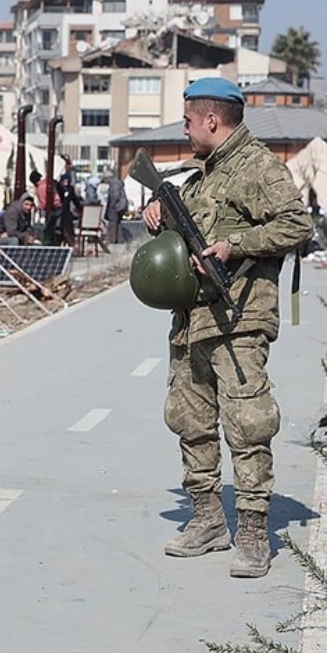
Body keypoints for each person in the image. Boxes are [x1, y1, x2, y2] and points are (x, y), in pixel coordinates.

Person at [141, 77, 312, 578]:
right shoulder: (205, 175)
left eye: (190, 121)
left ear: (212, 120)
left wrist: (234, 246)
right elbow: (191, 231)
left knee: (248, 425)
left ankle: (254, 532)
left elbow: (298, 225)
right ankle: (208, 520)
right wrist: (158, 214)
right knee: (189, 420)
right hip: (192, 319)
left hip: (239, 320)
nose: (187, 129)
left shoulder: (258, 167)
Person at [104, 172, 129, 243]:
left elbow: (114, 196)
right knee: (118, 223)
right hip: (121, 205)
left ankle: (112, 239)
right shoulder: (117, 182)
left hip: (117, 206)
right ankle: (119, 239)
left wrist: (111, 207)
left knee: (113, 222)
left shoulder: (113, 183)